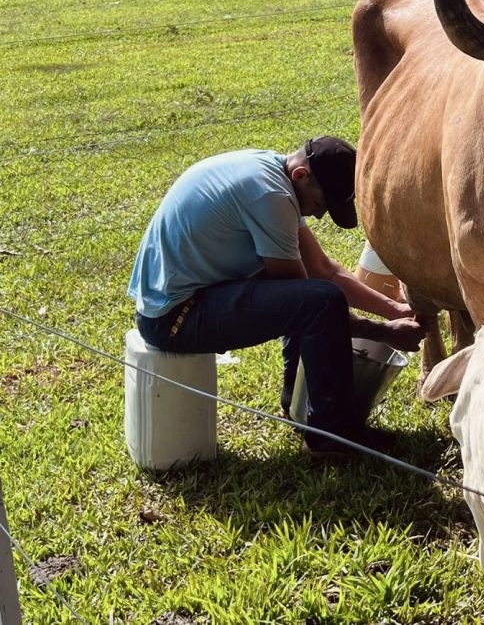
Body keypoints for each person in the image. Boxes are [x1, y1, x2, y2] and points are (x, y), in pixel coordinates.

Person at [127, 136, 425, 456]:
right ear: (301, 177)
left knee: (308, 297)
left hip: (182, 299)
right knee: (318, 304)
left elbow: (323, 270)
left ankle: (297, 407)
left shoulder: (271, 171)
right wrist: (382, 331)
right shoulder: (271, 195)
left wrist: (395, 310)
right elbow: (312, 300)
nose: (318, 216)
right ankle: (332, 436)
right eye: (320, 205)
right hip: (175, 318)